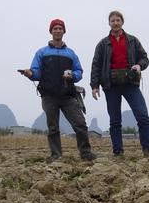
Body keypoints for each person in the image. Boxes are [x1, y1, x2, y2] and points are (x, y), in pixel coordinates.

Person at [20, 18, 96, 161]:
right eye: (55, 28)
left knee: (80, 124)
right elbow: (36, 72)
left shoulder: (71, 53)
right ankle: (56, 155)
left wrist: (73, 76)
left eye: (60, 28)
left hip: (68, 96)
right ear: (51, 31)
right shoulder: (41, 53)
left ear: (64, 32)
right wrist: (30, 74)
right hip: (49, 96)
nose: (58, 31)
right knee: (53, 127)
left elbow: (79, 71)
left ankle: (86, 153)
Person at [90, 10, 149, 157]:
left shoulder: (132, 40)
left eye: (118, 20)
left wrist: (139, 66)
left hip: (130, 83)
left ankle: (148, 149)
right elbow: (96, 65)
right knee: (115, 121)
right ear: (109, 23)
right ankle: (118, 152)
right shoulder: (102, 44)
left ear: (122, 22)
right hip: (111, 85)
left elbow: (144, 58)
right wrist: (94, 86)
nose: (116, 23)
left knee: (142, 116)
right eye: (113, 20)